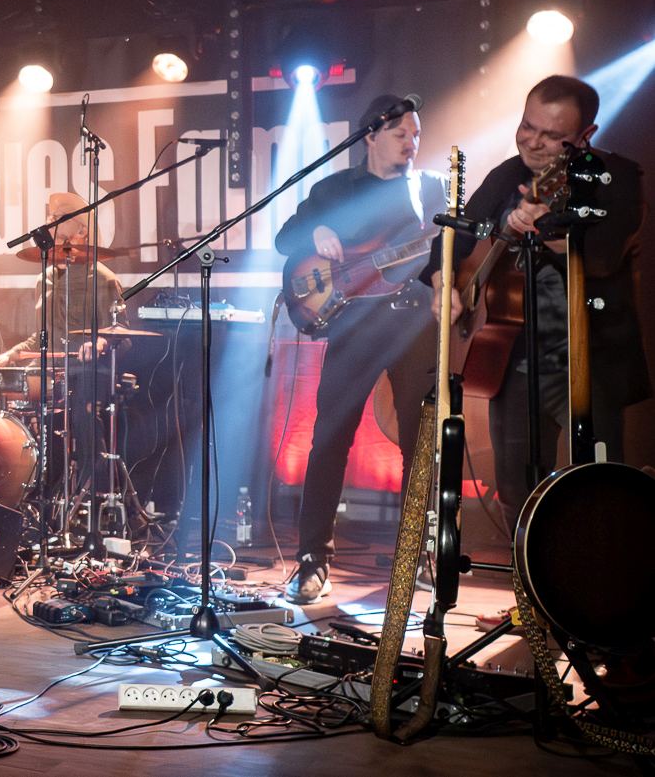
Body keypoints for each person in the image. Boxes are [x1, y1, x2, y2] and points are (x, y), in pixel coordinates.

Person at [430, 75, 648, 533]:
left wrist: (546, 227)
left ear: (585, 136)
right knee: (515, 492)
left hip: (590, 361)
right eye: (527, 126)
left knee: (598, 489)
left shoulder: (617, 178)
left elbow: (605, 254)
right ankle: (527, 603)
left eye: (552, 136)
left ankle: (591, 598)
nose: (533, 142)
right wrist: (442, 284)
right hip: (513, 362)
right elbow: (451, 240)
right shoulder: (506, 176)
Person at [273, 96, 445, 604]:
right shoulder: (336, 189)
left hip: (412, 322)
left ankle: (416, 555)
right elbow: (286, 240)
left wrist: (444, 282)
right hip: (353, 324)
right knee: (329, 440)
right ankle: (312, 560)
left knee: (420, 442)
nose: (411, 144)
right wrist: (318, 228)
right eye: (400, 134)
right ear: (370, 135)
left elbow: (445, 247)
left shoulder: (430, 187)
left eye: (416, 134)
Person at [0, 191, 124, 491]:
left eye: (58, 218)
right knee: (26, 411)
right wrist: (9, 355)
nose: (50, 222)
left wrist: (99, 343)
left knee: (81, 407)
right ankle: (37, 491)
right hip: (52, 374)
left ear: (82, 230)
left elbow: (122, 333)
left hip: (89, 374)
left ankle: (92, 494)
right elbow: (40, 337)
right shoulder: (46, 279)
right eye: (50, 217)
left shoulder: (103, 278)